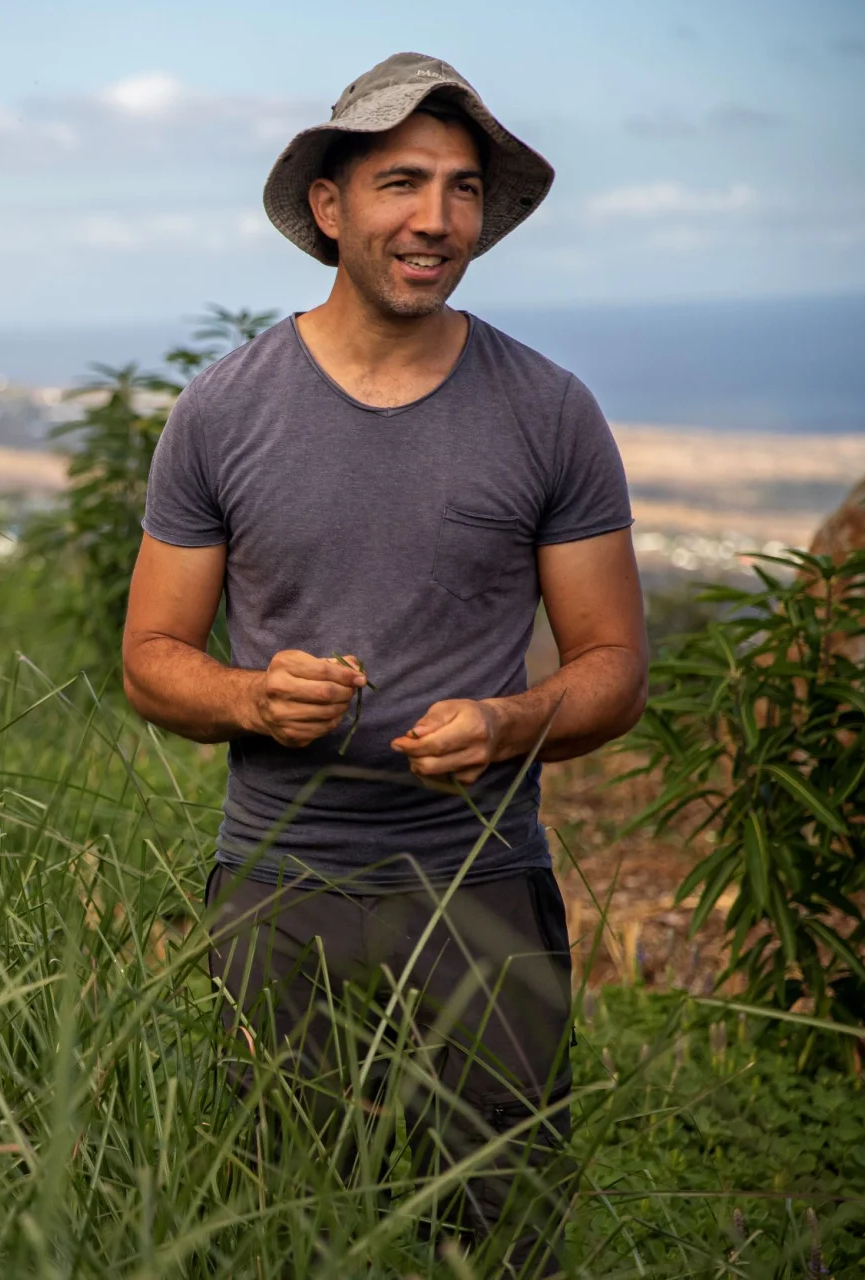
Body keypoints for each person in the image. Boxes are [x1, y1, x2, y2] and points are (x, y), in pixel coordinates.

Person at [120, 52, 648, 1273]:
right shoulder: (222, 410)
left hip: (482, 887)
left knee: (503, 1235)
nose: (435, 219)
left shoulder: (550, 409)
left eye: (462, 190)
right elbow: (151, 661)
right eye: (401, 182)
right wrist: (252, 694)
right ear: (330, 205)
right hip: (275, 886)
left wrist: (512, 723)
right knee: (275, 1227)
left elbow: (614, 664)